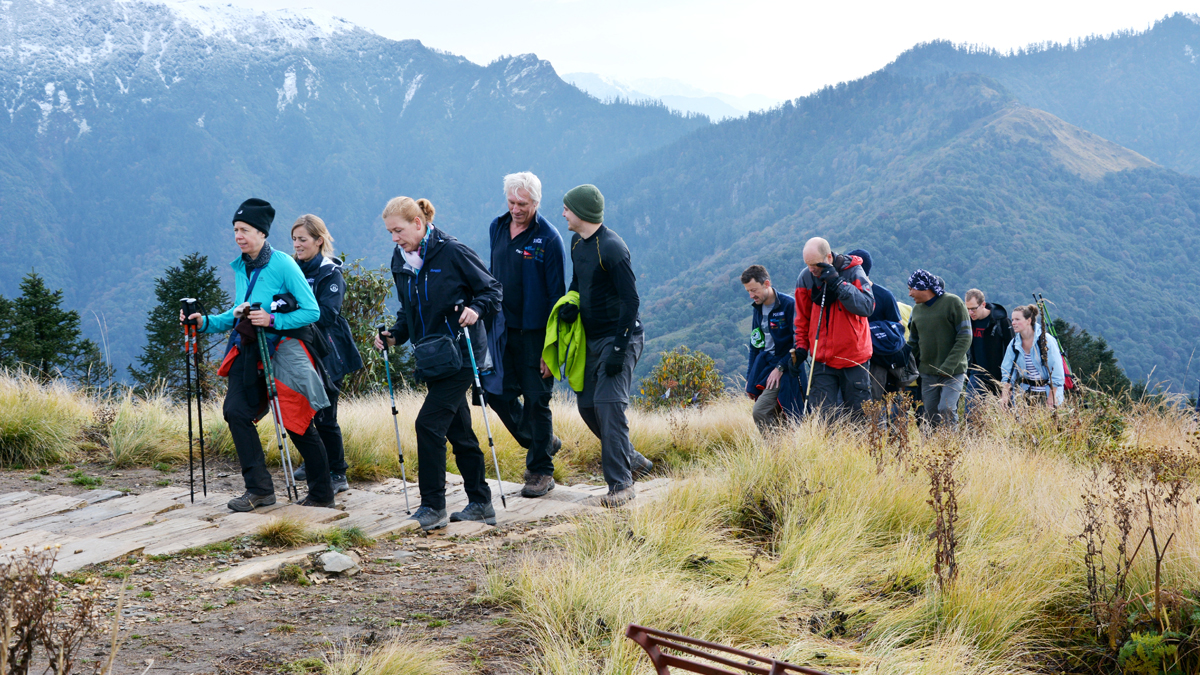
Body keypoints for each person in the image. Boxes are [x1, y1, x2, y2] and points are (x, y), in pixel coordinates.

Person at [182, 198, 335, 511]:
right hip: (248, 349)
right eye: (236, 229)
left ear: (262, 233)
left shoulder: (282, 264)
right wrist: (206, 322)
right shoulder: (243, 266)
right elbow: (242, 312)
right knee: (236, 412)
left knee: (297, 422)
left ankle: (322, 493)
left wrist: (273, 319)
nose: (239, 235)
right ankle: (260, 490)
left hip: (282, 350)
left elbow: (312, 311)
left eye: (245, 230)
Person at [373, 196, 502, 532]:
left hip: (461, 352)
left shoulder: (452, 252)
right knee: (459, 431)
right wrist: (394, 336)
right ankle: (480, 502)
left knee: (428, 424)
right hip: (432, 357)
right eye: (390, 232)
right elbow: (408, 311)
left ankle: (433, 506)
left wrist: (477, 310)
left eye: (398, 230)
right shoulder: (400, 259)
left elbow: (492, 290)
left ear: (419, 223)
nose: (394, 238)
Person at [558, 184, 652, 508]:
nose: (563, 213)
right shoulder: (576, 243)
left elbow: (631, 300)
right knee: (587, 406)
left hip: (620, 337)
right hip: (591, 338)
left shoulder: (612, 248)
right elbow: (577, 282)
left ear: (581, 212)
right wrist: (572, 303)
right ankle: (632, 458)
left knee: (609, 405)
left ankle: (622, 485)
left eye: (567, 208)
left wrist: (618, 349)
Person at [486, 172, 566, 499]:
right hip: (502, 329)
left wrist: (551, 348)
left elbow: (556, 296)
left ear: (536, 202)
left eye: (523, 203)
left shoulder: (549, 238)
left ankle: (541, 471)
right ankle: (541, 440)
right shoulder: (497, 227)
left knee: (537, 399)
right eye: (512, 202)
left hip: (536, 334)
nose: (516, 208)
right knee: (497, 392)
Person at [288, 215, 364, 495]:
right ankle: (313, 463)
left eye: (303, 239)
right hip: (300, 351)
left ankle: (337, 472)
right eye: (294, 239)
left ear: (319, 241)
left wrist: (291, 307)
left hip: (330, 352)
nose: (297, 245)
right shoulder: (292, 268)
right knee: (303, 412)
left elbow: (326, 315)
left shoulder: (330, 273)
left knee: (325, 416)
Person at [793, 237, 874, 419]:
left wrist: (838, 283)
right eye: (807, 264)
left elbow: (867, 306)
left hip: (854, 359)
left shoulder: (853, 271)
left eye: (815, 264)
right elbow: (801, 318)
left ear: (828, 257)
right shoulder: (806, 277)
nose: (811, 269)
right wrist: (800, 347)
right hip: (822, 360)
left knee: (859, 419)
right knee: (824, 419)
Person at [905, 270, 971, 427]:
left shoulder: (953, 302)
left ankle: (951, 445)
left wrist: (948, 365)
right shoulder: (917, 310)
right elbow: (913, 343)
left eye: (911, 289)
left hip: (953, 370)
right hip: (927, 372)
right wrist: (904, 364)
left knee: (946, 409)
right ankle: (932, 447)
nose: (910, 294)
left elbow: (965, 336)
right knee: (930, 413)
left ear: (923, 288)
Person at [741, 265, 803, 431]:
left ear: (766, 283)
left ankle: (775, 451)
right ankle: (781, 453)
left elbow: (799, 343)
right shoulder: (758, 308)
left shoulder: (789, 305)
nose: (751, 295)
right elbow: (756, 344)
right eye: (748, 291)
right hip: (765, 368)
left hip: (787, 369)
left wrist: (781, 367)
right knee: (777, 415)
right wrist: (749, 378)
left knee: (760, 411)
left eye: (754, 290)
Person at [846, 249, 905, 401]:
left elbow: (897, 328)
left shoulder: (883, 295)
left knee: (881, 404)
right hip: (854, 360)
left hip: (881, 363)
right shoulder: (846, 295)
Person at [1000, 304, 1065, 409]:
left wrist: (1052, 397)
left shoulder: (1046, 340)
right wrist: (1005, 395)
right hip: (1026, 394)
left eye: (1017, 319)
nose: (1013, 323)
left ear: (1028, 321)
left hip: (1048, 393)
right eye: (1012, 319)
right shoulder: (1014, 344)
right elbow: (1008, 372)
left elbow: (1057, 371)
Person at [963, 289, 1013, 412]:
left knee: (1006, 412)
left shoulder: (1000, 321)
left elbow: (1012, 348)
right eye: (967, 309)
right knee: (970, 412)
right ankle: (972, 432)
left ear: (983, 305)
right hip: (977, 373)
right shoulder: (968, 322)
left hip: (1000, 375)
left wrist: (1009, 380)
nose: (970, 312)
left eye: (973, 308)